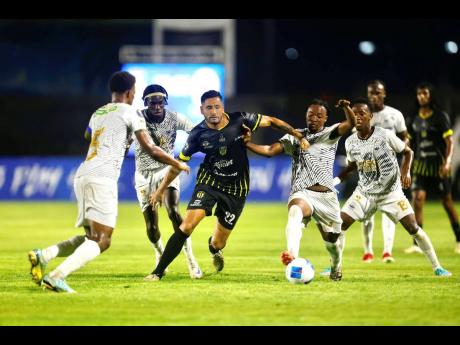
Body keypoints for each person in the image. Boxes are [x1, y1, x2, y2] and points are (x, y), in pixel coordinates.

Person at [27, 71, 190, 293]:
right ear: (130, 92)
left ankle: (44, 255)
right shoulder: (132, 113)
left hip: (83, 174)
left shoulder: (99, 112)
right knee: (103, 240)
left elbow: (88, 136)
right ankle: (57, 276)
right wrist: (177, 163)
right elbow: (151, 149)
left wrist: (116, 138)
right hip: (102, 178)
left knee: (90, 237)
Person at [146, 90, 310, 281]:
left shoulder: (240, 120)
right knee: (187, 226)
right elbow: (177, 166)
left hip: (236, 188)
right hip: (210, 181)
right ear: (201, 110)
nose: (213, 111)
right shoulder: (197, 134)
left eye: (217, 107)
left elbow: (272, 121)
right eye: (209, 108)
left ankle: (214, 248)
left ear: (222, 107)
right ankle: (158, 272)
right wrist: (159, 190)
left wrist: (297, 135)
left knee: (219, 242)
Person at [244, 99, 356, 281]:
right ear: (306, 116)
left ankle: (336, 267)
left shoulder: (330, 134)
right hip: (302, 192)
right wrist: (247, 144)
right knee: (295, 211)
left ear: (325, 118)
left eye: (319, 116)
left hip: (326, 197)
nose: (314, 119)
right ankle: (292, 256)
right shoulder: (294, 137)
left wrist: (346, 107)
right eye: (310, 115)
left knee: (332, 242)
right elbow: (270, 150)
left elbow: (350, 123)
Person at [339, 98, 451, 278]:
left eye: (362, 113)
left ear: (370, 116)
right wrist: (339, 178)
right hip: (365, 193)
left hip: (391, 193)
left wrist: (405, 172)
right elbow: (352, 165)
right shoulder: (350, 142)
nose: (358, 116)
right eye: (354, 113)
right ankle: (335, 267)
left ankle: (437, 267)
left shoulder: (383, 134)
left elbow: (408, 151)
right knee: (339, 225)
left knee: (413, 228)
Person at [334, 80, 408, 263]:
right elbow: (356, 142)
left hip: (390, 170)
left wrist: (406, 168)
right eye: (371, 93)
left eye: (377, 93)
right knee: (366, 213)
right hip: (368, 170)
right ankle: (368, 250)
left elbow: (406, 142)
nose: (374, 96)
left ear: (384, 94)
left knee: (388, 210)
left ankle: (387, 251)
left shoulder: (395, 115)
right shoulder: (359, 116)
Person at [134, 84, 202, 280]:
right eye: (152, 102)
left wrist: (196, 147)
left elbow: (196, 131)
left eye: (160, 102)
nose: (157, 106)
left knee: (173, 211)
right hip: (143, 174)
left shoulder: (174, 118)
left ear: (166, 101)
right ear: (145, 103)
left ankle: (191, 259)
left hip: (167, 170)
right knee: (152, 227)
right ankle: (159, 254)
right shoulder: (137, 118)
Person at [404, 82, 460, 255]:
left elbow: (449, 142)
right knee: (418, 200)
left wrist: (448, 162)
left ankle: (459, 239)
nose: (421, 97)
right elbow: (409, 143)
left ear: (430, 96)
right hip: (420, 166)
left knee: (447, 202)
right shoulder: (413, 119)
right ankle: (417, 243)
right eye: (419, 94)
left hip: (438, 166)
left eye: (425, 94)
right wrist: (405, 165)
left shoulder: (440, 117)